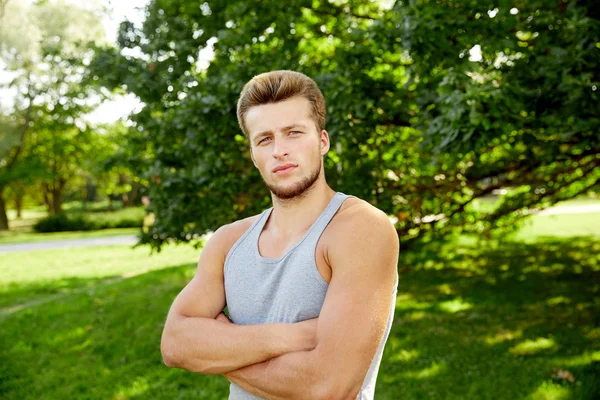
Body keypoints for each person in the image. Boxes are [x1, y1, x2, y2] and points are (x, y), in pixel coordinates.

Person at [160, 70, 399, 399]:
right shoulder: (228, 242)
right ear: (253, 156)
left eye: (294, 133)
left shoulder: (359, 229)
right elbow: (174, 343)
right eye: (265, 139)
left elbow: (328, 387)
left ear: (323, 140)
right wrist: (294, 337)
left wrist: (216, 351)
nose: (279, 150)